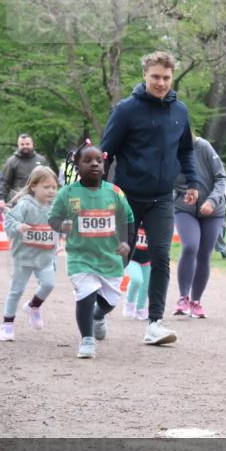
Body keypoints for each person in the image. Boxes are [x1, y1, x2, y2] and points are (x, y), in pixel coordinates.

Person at [101, 51, 199, 345]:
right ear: (145, 74)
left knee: (160, 256)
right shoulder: (126, 110)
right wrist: (99, 190)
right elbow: (106, 153)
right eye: (155, 77)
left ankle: (155, 322)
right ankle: (98, 311)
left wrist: (192, 181)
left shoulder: (180, 112)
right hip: (126, 197)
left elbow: (186, 151)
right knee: (120, 257)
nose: (161, 83)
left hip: (161, 198)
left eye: (166, 78)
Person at [49, 145, 133, 359]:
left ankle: (98, 315)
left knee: (111, 299)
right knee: (86, 292)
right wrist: (62, 226)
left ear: (104, 166)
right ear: (77, 166)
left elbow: (127, 219)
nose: (94, 164)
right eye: (88, 160)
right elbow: (53, 219)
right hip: (80, 257)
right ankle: (87, 339)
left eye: (99, 160)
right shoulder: (67, 194)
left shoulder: (114, 192)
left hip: (110, 258)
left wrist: (125, 243)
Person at [0, 166, 60, 341]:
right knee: (16, 290)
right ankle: (7, 323)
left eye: (54, 187)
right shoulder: (25, 204)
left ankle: (33, 306)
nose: (51, 191)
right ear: (33, 187)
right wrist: (18, 226)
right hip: (24, 257)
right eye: (46, 187)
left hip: (45, 257)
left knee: (49, 284)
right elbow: (9, 221)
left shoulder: (55, 206)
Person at [172, 135, 226, 319]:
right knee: (190, 246)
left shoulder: (203, 146)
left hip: (213, 210)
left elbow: (221, 178)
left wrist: (212, 201)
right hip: (184, 207)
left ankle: (196, 301)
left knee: (204, 254)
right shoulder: (169, 149)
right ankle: (183, 298)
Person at [0, 134, 50, 203]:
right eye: (22, 144)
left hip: (38, 198)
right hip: (18, 199)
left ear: (32, 144)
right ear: (18, 145)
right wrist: (1, 198)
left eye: (27, 144)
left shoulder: (41, 160)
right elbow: (5, 182)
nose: (25, 146)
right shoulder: (11, 161)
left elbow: (49, 179)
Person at [122, 225, 151, 320]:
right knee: (137, 280)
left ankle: (140, 309)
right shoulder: (135, 220)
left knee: (145, 285)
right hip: (131, 258)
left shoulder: (153, 221)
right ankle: (129, 303)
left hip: (147, 259)